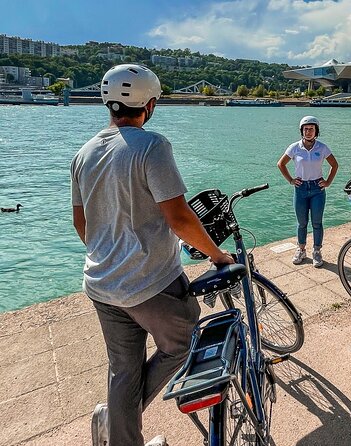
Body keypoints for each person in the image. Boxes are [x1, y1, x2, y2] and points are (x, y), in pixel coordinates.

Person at [70, 64, 234, 446]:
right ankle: (115, 421)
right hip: (151, 284)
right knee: (186, 337)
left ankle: (118, 430)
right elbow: (179, 218)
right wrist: (218, 255)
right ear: (151, 104)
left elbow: (82, 224)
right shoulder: (152, 146)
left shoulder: (84, 153)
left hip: (100, 284)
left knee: (123, 372)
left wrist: (109, 256)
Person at [277, 116, 338, 268]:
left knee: (317, 223)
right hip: (301, 189)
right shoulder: (295, 148)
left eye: (311, 129)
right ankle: (301, 249)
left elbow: (334, 165)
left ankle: (317, 251)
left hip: (318, 189)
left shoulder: (322, 148)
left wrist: (328, 182)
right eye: (305, 129)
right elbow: (281, 164)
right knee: (302, 223)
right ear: (301, 131)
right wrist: (291, 180)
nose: (308, 131)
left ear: (316, 131)